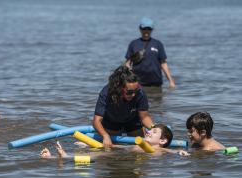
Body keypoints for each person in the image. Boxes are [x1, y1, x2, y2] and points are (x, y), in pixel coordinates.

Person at [93, 65, 154, 148]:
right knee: (110, 149)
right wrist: (105, 136)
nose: (133, 94)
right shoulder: (106, 93)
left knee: (140, 148)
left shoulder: (140, 92)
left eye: (135, 91)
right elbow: (97, 121)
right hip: (111, 122)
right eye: (129, 92)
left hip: (132, 121)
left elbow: (144, 117)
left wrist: (155, 129)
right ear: (119, 88)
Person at [40, 124, 189, 158]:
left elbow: (171, 151)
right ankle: (56, 157)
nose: (148, 131)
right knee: (97, 155)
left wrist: (179, 151)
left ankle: (63, 157)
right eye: (150, 130)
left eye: (154, 132)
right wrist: (89, 143)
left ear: (162, 140)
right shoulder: (136, 144)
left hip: (131, 160)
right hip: (125, 155)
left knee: (99, 157)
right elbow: (117, 146)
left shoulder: (160, 150)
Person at [125, 17, 175, 89]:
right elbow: (127, 64)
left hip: (156, 84)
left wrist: (171, 81)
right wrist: (126, 81)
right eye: (144, 29)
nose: (146, 31)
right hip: (137, 84)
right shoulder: (133, 44)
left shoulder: (158, 44)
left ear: (152, 29)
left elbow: (163, 63)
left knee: (157, 99)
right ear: (140, 29)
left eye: (149, 29)